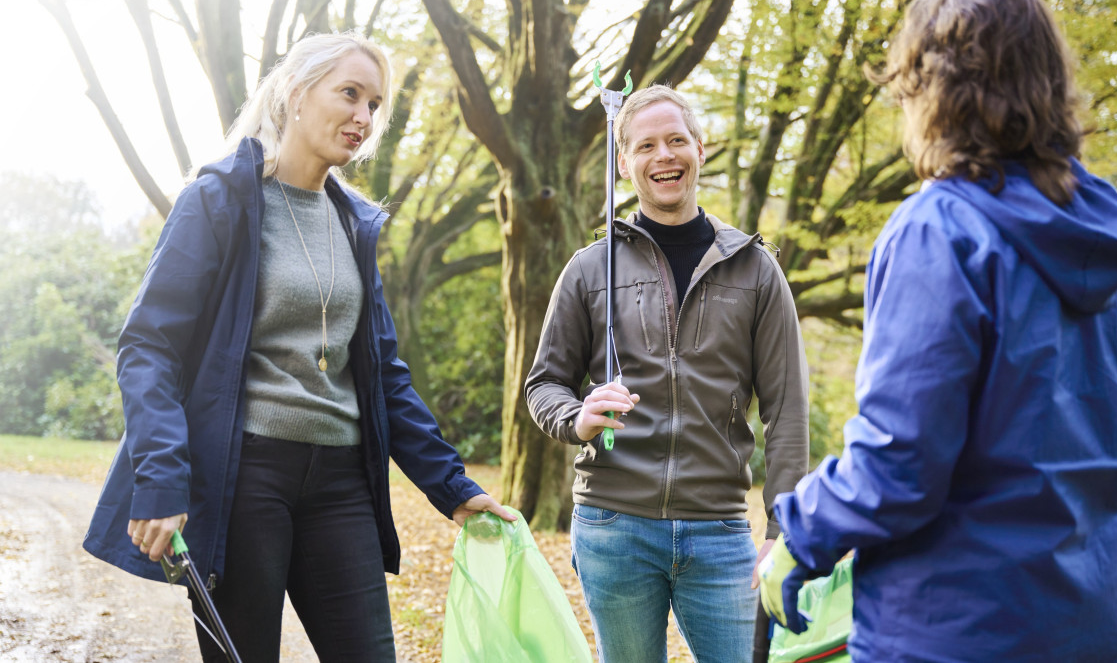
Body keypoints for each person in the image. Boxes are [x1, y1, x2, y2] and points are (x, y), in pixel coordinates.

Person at [83, 32, 515, 662]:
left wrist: (451, 487)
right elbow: (149, 346)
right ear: (295, 92)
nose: (364, 117)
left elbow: (382, 372)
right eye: (350, 94)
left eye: (374, 103)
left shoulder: (354, 224)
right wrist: (162, 479)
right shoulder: (219, 201)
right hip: (244, 477)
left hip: (342, 483)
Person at [756, 0, 1117, 659]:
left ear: (932, 89)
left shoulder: (940, 229)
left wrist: (798, 534)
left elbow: (898, 464)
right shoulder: (1110, 238)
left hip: (951, 629)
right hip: (1086, 627)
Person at [525, 84, 810, 663]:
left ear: (700, 150)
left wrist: (783, 531)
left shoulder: (756, 269)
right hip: (612, 526)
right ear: (624, 162)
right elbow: (543, 384)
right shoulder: (587, 269)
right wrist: (576, 416)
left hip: (721, 533)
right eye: (646, 145)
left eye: (677, 140)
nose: (664, 156)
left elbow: (787, 412)